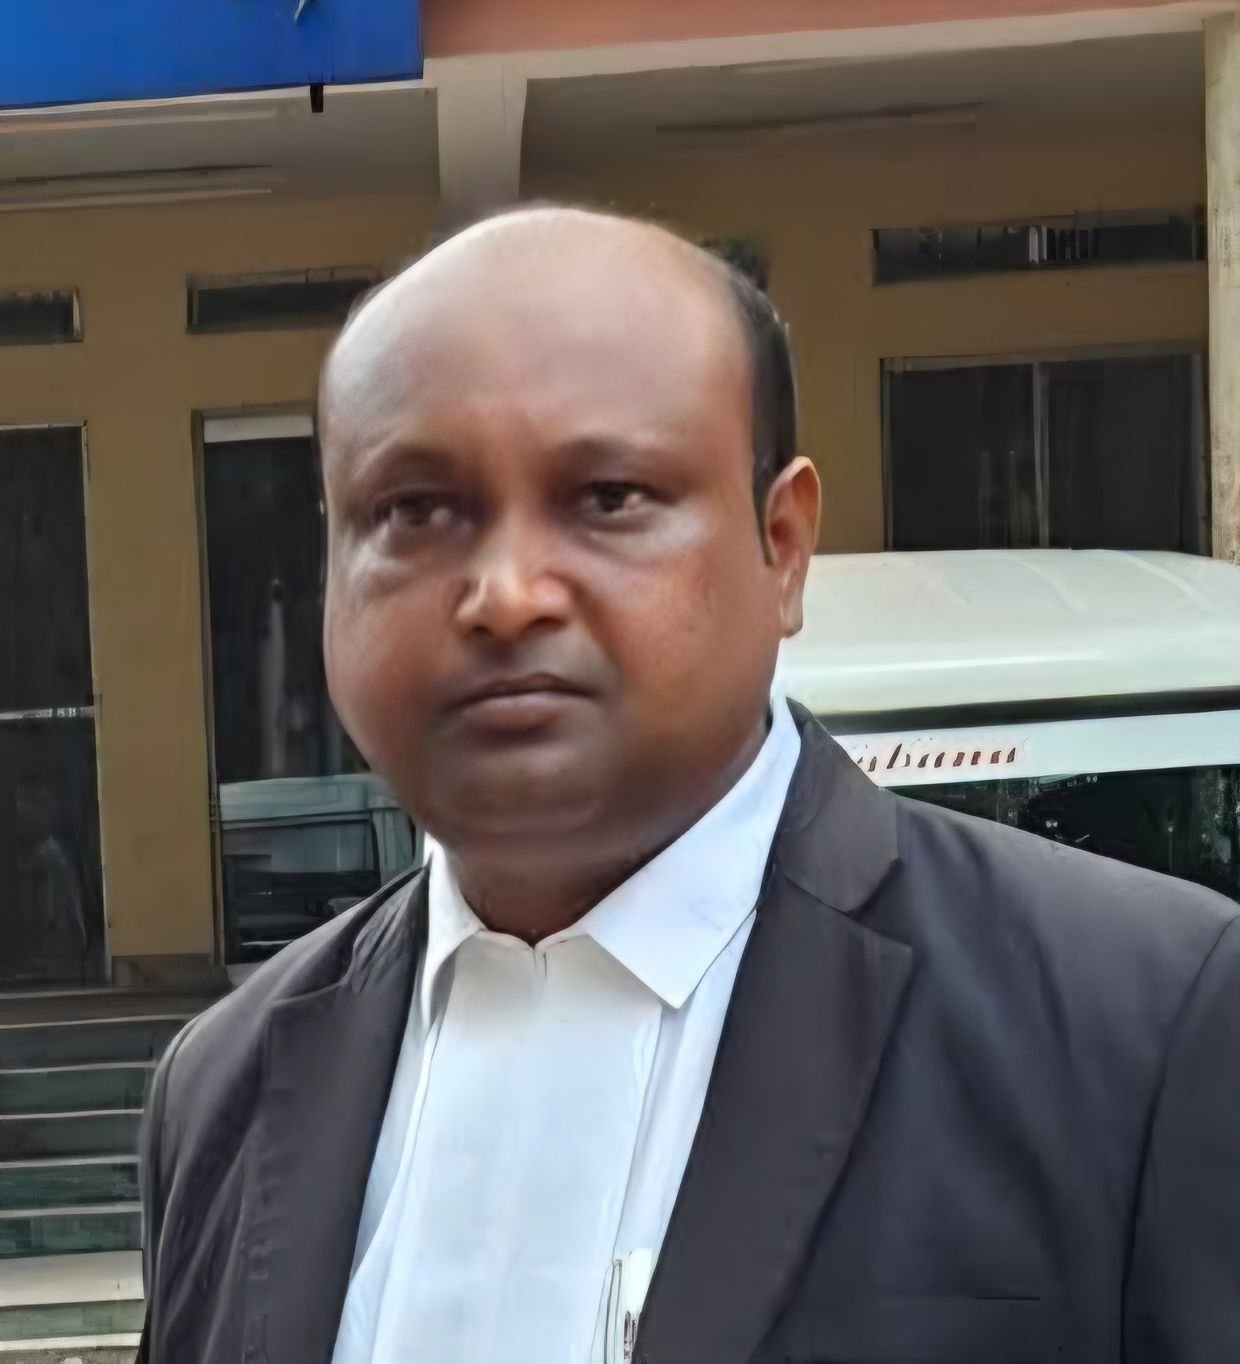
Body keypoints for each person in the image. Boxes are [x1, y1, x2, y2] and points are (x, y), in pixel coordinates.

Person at [138, 206, 1240, 1364]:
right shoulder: (224, 1088)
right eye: (415, 511)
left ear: (783, 545)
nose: (506, 593)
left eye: (608, 496)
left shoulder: (1140, 1025)